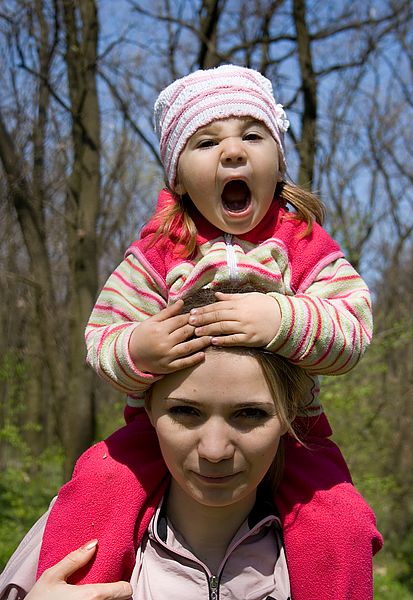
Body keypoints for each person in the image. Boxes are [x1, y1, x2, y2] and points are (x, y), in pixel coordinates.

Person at [36, 65, 382, 599]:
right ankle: (76, 589)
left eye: (252, 135)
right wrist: (143, 347)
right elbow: (103, 335)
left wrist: (279, 319)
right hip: (162, 430)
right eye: (205, 141)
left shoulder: (303, 243)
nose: (233, 152)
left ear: (278, 161)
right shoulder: (158, 248)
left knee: (342, 521)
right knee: (96, 484)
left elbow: (353, 327)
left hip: (296, 432)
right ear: (177, 175)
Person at [0, 333, 314, 599]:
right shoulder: (69, 522)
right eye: (185, 411)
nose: (215, 450)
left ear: (289, 414)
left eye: (249, 414)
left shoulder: (321, 565)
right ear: (148, 408)